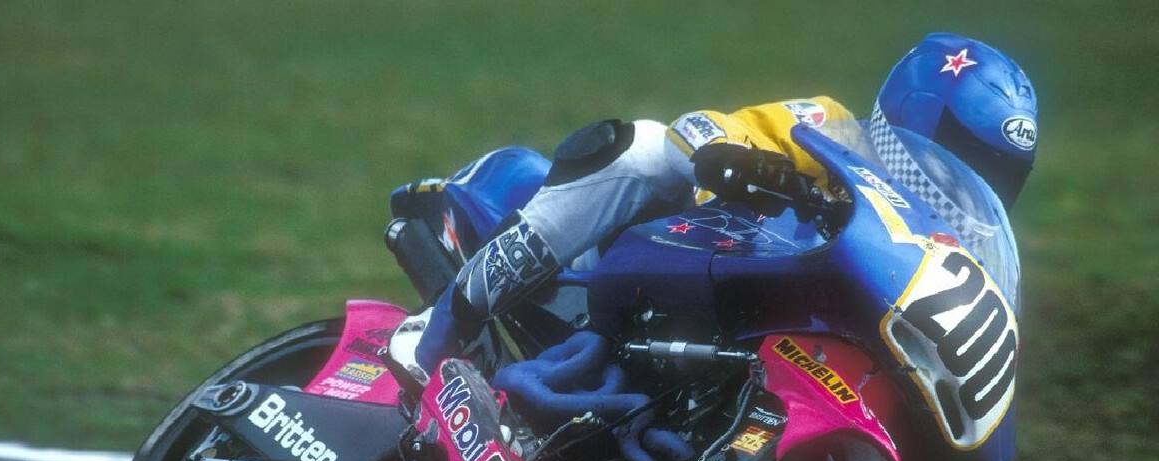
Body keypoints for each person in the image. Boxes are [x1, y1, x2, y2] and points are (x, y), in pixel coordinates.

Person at [393, 31, 1038, 383]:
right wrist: (729, 154)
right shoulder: (833, 131)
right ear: (918, 116)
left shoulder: (942, 254)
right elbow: (698, 129)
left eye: (998, 173)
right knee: (646, 146)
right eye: (967, 154)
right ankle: (440, 327)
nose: (977, 181)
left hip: (744, 339)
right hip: (667, 264)